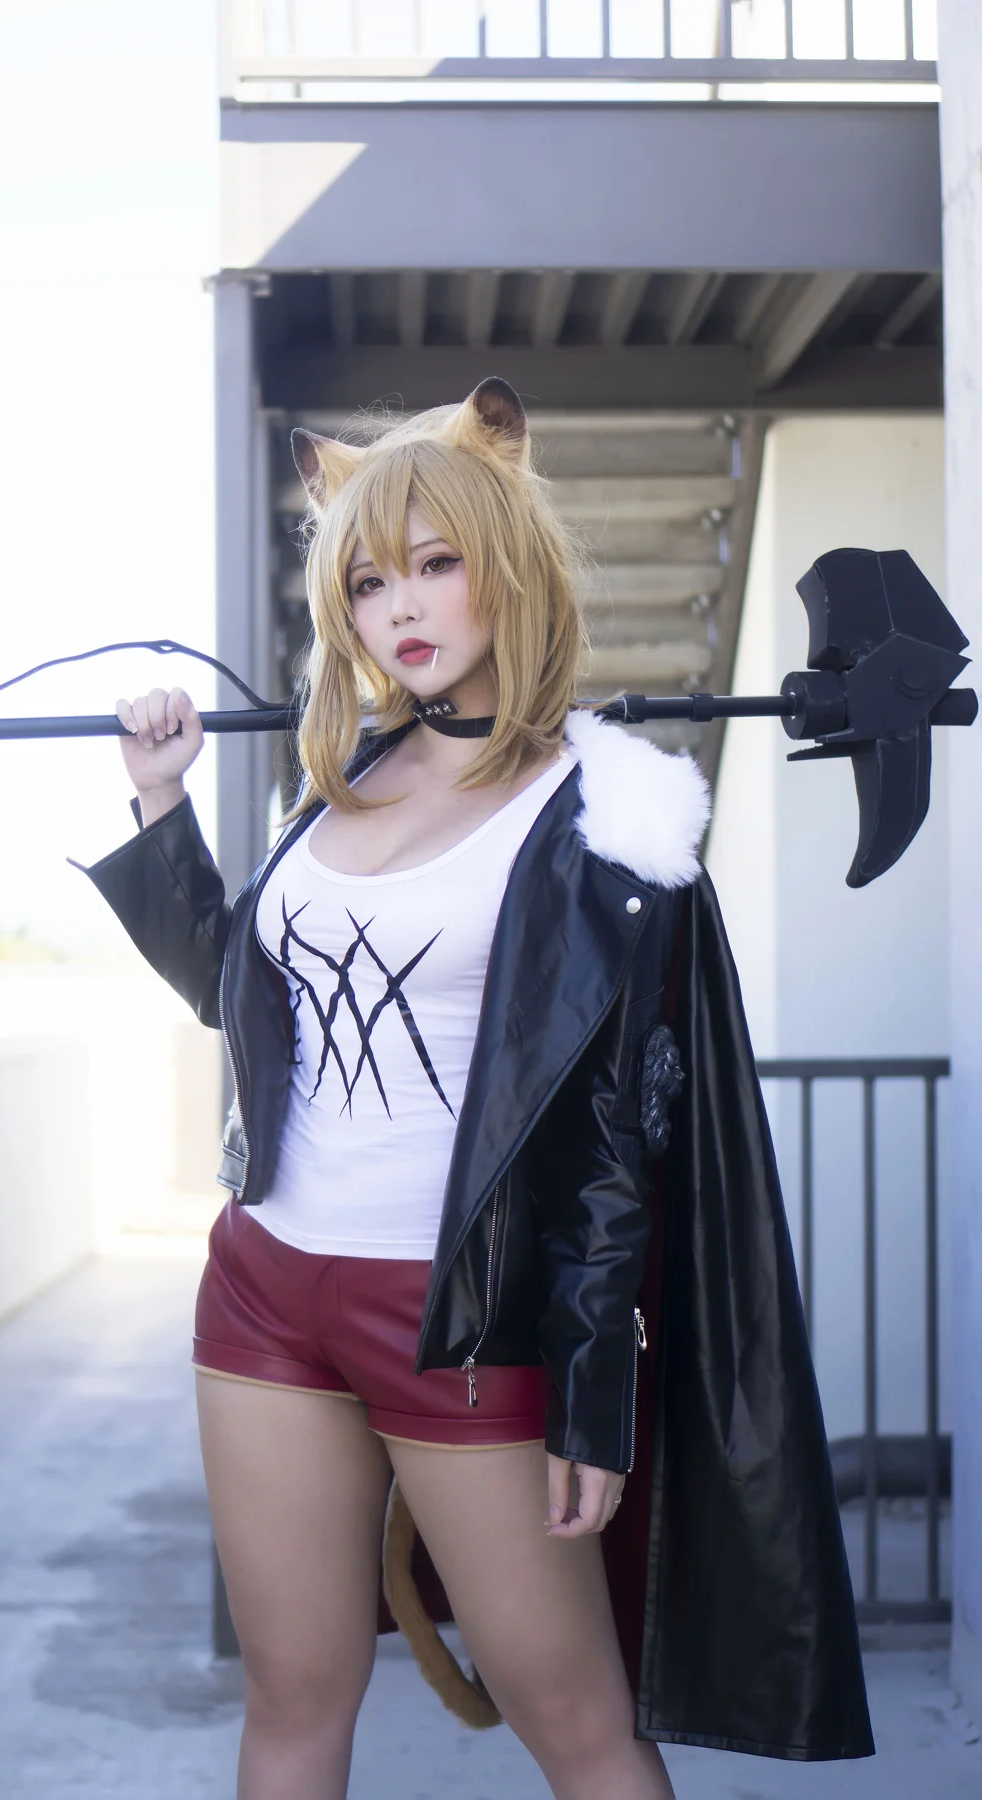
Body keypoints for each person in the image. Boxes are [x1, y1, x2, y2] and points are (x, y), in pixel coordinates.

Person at [83, 379, 872, 1800]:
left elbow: (622, 1143)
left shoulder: (605, 816)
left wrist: (592, 1394)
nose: (401, 606)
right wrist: (159, 801)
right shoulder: (343, 785)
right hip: (264, 1283)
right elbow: (239, 998)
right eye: (368, 580)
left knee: (576, 1721)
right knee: (291, 1696)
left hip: (461, 1314)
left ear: (507, 564)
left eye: (435, 563)